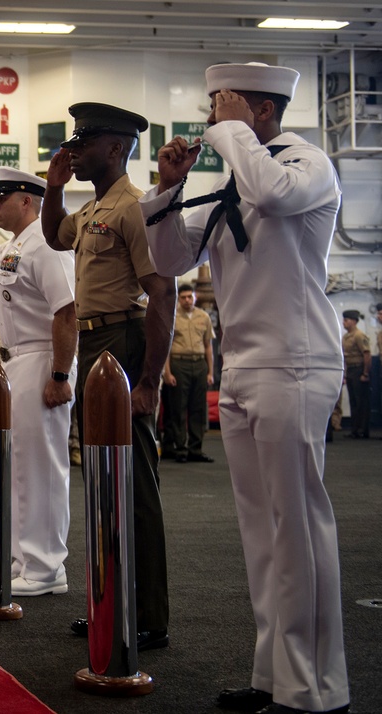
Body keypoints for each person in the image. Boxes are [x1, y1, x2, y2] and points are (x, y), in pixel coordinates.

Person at [140, 62, 349, 714]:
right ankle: (275, 675)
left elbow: (275, 194)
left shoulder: (306, 165)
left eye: (221, 107)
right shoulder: (238, 179)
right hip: (245, 369)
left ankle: (318, 690)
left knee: (298, 530)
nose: (209, 121)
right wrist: (168, 190)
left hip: (296, 364)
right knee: (262, 533)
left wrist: (233, 136)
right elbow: (172, 260)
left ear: (260, 112)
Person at [41, 102, 176, 651]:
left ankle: (148, 615)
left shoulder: (135, 208)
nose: (74, 149)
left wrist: (149, 380)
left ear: (117, 148)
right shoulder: (95, 204)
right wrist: (53, 187)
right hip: (96, 345)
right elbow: (54, 236)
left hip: (124, 339)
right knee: (101, 479)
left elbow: (162, 292)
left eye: (86, 141)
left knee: (136, 484)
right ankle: (109, 598)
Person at [0, 167, 77, 597]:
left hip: (43, 357)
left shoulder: (46, 244)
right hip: (17, 361)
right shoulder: (12, 246)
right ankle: (25, 558)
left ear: (27, 200)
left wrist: (61, 375)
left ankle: (47, 567)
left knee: (41, 466)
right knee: (20, 466)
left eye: (1, 200)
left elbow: (67, 311)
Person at [162, 282, 215, 462]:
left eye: (189, 297)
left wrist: (210, 372)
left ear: (195, 297)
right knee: (179, 408)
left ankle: (196, 449)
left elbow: (208, 346)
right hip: (179, 363)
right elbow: (166, 348)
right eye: (183, 297)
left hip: (199, 364)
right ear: (179, 298)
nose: (186, 300)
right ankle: (181, 448)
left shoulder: (204, 317)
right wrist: (167, 373)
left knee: (198, 408)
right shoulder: (173, 316)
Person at [341, 310, 371, 439]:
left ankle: (362, 430)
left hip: (359, 369)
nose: (344, 323)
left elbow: (367, 354)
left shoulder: (359, 335)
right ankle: (355, 429)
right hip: (351, 371)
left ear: (353, 321)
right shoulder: (346, 336)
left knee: (361, 402)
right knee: (353, 401)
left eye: (346, 320)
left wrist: (365, 373)